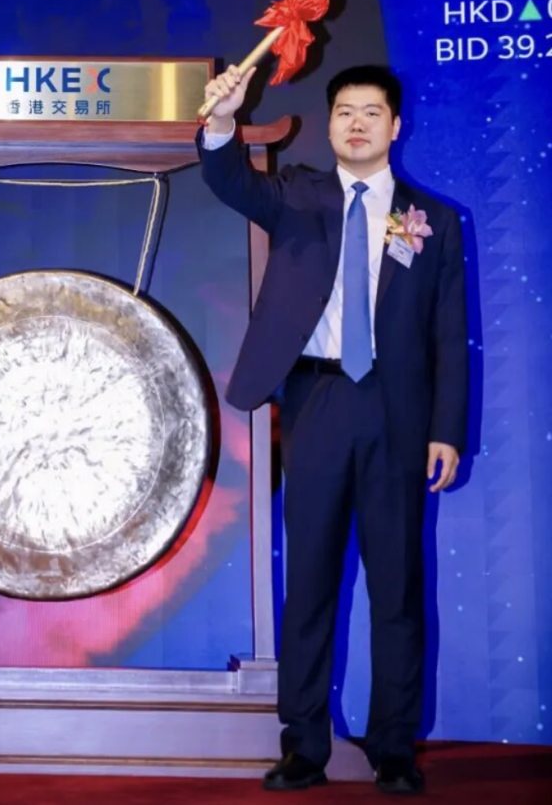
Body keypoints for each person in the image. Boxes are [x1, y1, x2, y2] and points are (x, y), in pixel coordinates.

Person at [199, 64, 466, 794]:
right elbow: (228, 180)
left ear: (395, 126)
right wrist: (221, 121)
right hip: (315, 401)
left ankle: (395, 749)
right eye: (345, 111)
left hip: (398, 411)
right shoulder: (296, 194)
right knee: (311, 583)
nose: (357, 123)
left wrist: (445, 429)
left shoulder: (434, 221)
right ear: (329, 123)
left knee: (397, 588)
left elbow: (449, 335)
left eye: (371, 112)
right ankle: (303, 747)